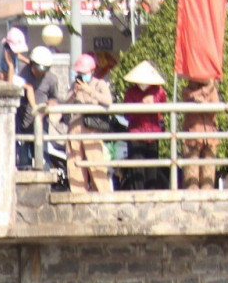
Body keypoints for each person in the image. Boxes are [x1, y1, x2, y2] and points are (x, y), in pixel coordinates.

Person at [61, 53, 116, 194]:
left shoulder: (99, 84)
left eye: (83, 73)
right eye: (78, 73)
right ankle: (78, 194)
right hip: (75, 127)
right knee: (75, 163)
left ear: (92, 71)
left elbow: (108, 101)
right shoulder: (74, 86)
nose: (80, 76)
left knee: (95, 161)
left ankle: (102, 192)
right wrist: (74, 93)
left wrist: (89, 91)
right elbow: (64, 104)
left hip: (92, 129)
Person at [119, 60, 168, 191]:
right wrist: (140, 105)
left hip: (153, 134)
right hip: (136, 134)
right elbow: (127, 115)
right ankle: (137, 194)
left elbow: (164, 110)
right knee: (137, 168)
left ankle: (151, 195)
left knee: (152, 168)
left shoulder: (159, 92)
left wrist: (154, 105)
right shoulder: (131, 92)